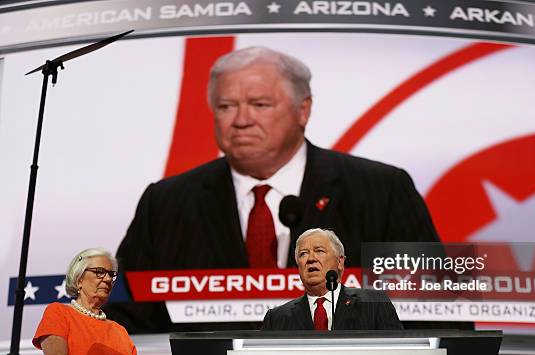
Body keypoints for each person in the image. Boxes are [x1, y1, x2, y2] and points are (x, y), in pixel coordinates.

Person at [111, 46, 439, 333]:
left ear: (303, 110)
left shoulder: (381, 190)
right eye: (226, 106)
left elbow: (436, 312)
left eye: (259, 104)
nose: (241, 120)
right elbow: (120, 317)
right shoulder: (167, 203)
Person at [32, 248, 139, 355]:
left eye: (111, 274)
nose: (107, 279)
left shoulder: (120, 332)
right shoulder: (59, 312)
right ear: (79, 279)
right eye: (99, 272)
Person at [262, 228, 403, 330]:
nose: (311, 259)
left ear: (340, 262)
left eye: (319, 251)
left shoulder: (373, 304)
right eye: (303, 254)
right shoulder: (276, 319)